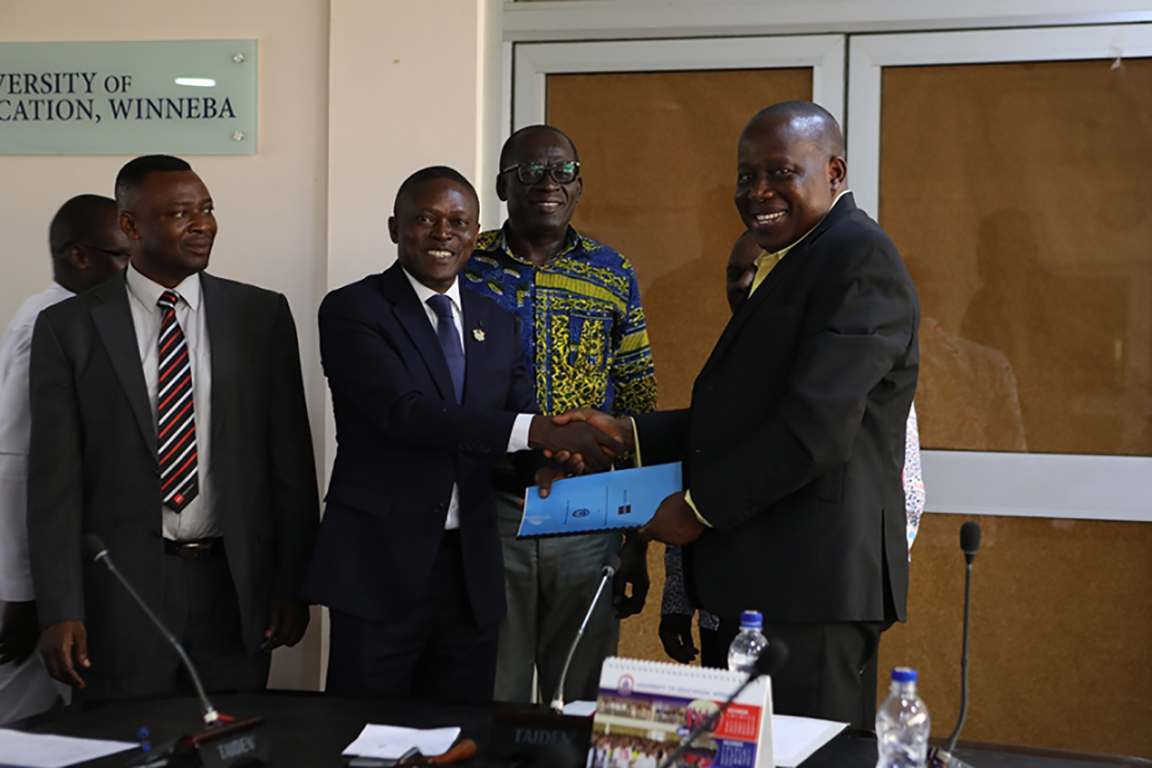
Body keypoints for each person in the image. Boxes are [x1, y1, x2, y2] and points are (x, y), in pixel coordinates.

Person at [560, 102, 919, 727]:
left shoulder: (857, 258)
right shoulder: (797, 257)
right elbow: (751, 413)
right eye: (745, 176)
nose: (757, 193)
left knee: (802, 753)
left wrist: (700, 509)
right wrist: (630, 434)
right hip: (766, 582)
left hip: (808, 588)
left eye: (780, 173)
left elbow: (814, 430)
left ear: (834, 171)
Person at [302, 166, 620, 703]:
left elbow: (518, 422)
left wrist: (544, 465)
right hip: (381, 566)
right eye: (425, 219)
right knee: (361, 732)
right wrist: (536, 429)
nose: (443, 233)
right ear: (394, 228)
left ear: (477, 233)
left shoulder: (495, 321)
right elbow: (406, 413)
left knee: (460, 733)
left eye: (459, 221)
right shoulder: (354, 309)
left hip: (472, 567)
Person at [27, 155, 319, 701]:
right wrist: (61, 608)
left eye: (206, 208)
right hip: (121, 595)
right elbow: (53, 485)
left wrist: (289, 584)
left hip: (234, 590)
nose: (202, 223)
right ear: (131, 226)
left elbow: (289, 465)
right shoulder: (68, 328)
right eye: (180, 212)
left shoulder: (261, 316)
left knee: (232, 749)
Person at [659, 231, 925, 691]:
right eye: (734, 273)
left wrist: (854, 609)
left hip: (813, 606)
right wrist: (680, 598)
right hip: (732, 605)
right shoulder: (742, 368)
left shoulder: (853, 299)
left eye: (760, 272)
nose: (745, 283)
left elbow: (903, 494)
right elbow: (712, 460)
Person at [462, 124, 658, 704]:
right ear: (502, 185)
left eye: (563, 171)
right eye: (529, 171)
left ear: (579, 186)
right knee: (492, 691)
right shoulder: (466, 268)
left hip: (588, 513)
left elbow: (638, 400)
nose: (548, 182)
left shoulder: (611, 271)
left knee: (582, 697)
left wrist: (638, 540)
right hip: (492, 509)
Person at [0, 195, 129, 723]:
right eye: (122, 254)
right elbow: (17, 463)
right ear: (78, 257)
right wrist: (23, 594)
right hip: (30, 585)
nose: (133, 267)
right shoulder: (48, 323)